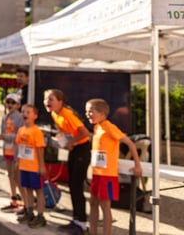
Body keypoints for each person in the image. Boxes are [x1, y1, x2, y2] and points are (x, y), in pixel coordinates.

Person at [85, 98, 143, 235]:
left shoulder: (110, 127)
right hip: (96, 173)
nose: (87, 114)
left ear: (102, 114)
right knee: (93, 203)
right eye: (86, 111)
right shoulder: (97, 127)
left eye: (90, 111)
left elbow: (131, 144)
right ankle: (92, 232)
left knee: (105, 207)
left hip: (108, 175)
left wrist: (137, 166)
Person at [44, 88, 91, 234]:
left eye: (51, 99)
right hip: (73, 149)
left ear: (60, 102)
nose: (47, 102)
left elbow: (85, 133)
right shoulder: (54, 114)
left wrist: (72, 142)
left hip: (82, 149)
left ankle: (82, 223)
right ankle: (76, 219)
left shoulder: (67, 114)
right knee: (72, 185)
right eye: (45, 99)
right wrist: (64, 140)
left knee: (77, 186)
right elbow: (65, 131)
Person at [15, 104, 48, 228]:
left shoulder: (37, 131)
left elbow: (40, 149)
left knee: (38, 191)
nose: (25, 114)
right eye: (23, 112)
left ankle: (40, 215)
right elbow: (20, 147)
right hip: (24, 165)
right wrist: (18, 161)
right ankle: (29, 211)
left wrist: (41, 166)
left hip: (34, 167)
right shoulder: (21, 130)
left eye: (28, 112)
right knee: (27, 189)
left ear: (35, 116)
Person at [0, 92, 24, 213]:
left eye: (13, 102)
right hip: (7, 149)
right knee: (10, 176)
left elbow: (19, 135)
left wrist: (5, 137)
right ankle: (13, 200)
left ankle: (25, 203)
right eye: (8, 102)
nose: (10, 104)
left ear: (18, 105)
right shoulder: (5, 116)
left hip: (17, 150)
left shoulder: (20, 117)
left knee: (17, 178)